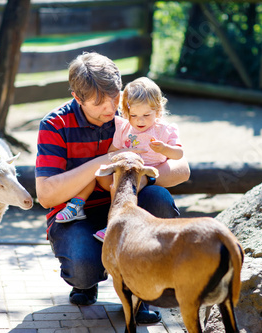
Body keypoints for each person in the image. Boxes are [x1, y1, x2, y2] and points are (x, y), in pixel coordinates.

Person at [35, 52, 190, 323]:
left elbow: (182, 170)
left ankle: (139, 290)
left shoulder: (133, 113)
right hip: (76, 214)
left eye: (115, 97)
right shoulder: (54, 125)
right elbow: (47, 195)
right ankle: (85, 280)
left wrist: (139, 178)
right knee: (83, 266)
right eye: (98, 102)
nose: (111, 108)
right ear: (77, 96)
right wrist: (106, 160)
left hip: (127, 207)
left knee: (159, 199)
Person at [93, 76, 184, 241]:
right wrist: (122, 154)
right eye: (133, 115)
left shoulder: (164, 130)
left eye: (146, 115)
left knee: (155, 199)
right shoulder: (124, 128)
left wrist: (164, 148)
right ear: (126, 112)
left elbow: (179, 155)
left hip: (150, 179)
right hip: (128, 174)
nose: (140, 120)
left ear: (158, 111)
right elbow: (112, 151)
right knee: (117, 187)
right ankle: (112, 225)